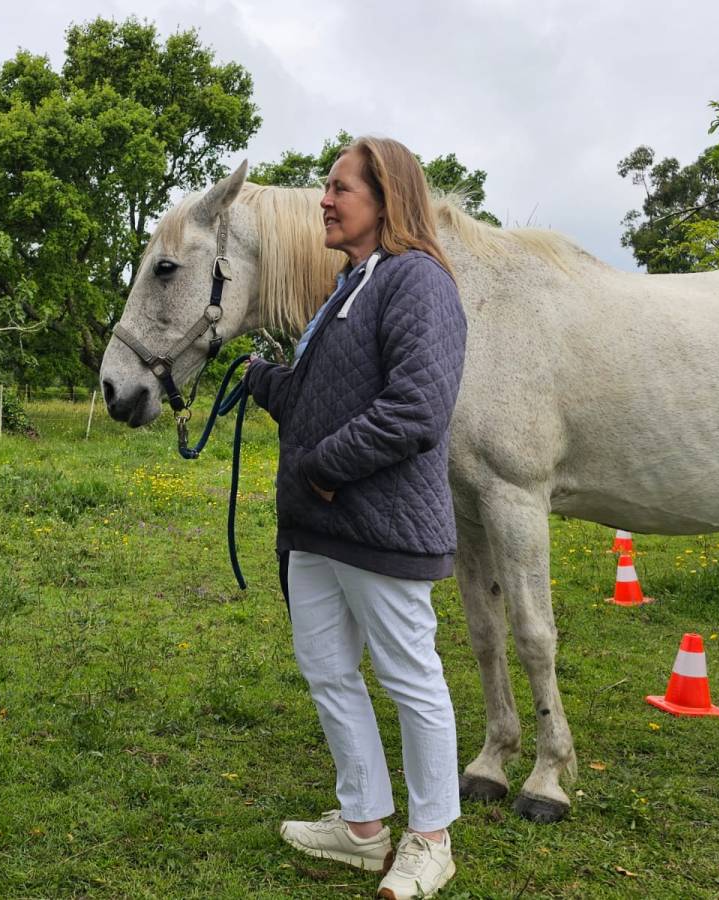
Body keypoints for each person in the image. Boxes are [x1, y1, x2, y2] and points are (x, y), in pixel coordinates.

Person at [245, 137, 467, 900]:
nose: (325, 201)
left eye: (341, 189)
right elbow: (325, 397)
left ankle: (430, 840)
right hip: (319, 527)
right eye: (327, 187)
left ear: (387, 199)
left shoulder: (418, 283)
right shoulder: (350, 285)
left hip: (380, 527)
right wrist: (264, 382)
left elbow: (416, 409)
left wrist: (321, 467)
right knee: (329, 671)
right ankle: (363, 824)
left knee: (411, 679)